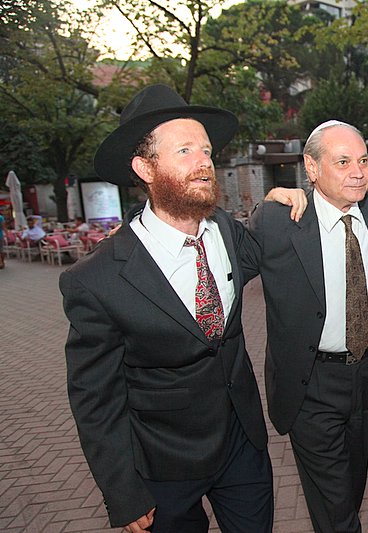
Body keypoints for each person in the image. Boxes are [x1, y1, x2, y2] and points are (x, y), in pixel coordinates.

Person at [60, 84, 274, 533]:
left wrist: (279, 201)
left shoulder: (227, 232)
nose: (204, 161)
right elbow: (96, 400)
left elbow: (269, 247)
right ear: (145, 168)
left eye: (206, 150)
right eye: (184, 150)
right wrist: (123, 491)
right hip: (164, 466)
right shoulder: (97, 279)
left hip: (243, 447)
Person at [248, 120, 368, 533]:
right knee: (337, 512)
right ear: (311, 168)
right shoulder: (280, 221)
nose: (358, 172)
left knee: (351, 492)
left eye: (363, 160)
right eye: (343, 162)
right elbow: (218, 253)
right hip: (311, 385)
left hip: (367, 377)